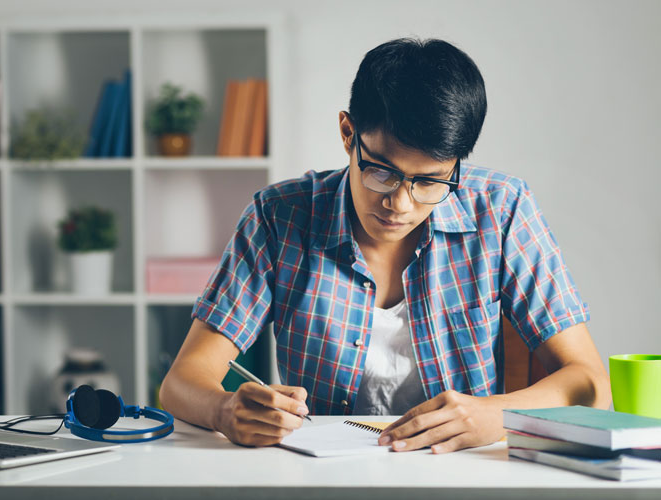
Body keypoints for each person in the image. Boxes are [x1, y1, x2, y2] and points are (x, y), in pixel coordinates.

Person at [159, 37, 611, 453]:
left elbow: (590, 380)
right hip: (320, 475)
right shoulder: (279, 217)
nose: (400, 203)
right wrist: (225, 410)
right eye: (382, 172)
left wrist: (499, 414)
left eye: (430, 182)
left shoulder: (502, 210)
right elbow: (182, 381)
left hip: (463, 473)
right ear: (348, 134)